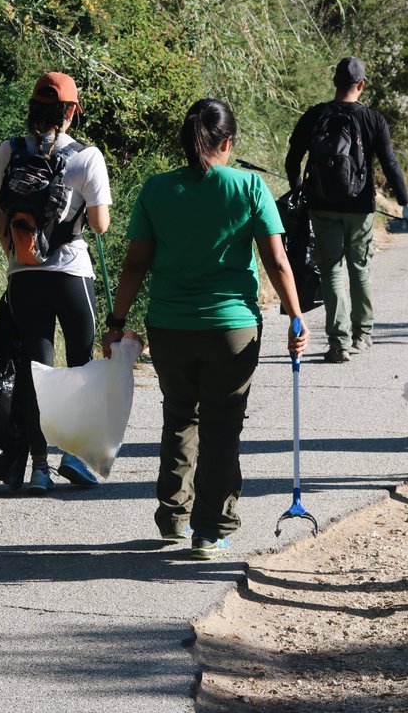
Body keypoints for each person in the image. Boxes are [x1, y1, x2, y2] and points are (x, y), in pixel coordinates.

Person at [104, 99, 310, 560]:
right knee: (222, 425)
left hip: (170, 326)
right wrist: (296, 316)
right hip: (231, 330)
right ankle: (211, 529)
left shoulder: (157, 190)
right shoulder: (249, 186)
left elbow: (135, 264)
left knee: (180, 415)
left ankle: (174, 517)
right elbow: (276, 261)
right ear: (228, 143)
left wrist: (116, 323)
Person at [0, 71, 111, 494]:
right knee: (80, 368)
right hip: (71, 273)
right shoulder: (86, 156)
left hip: (24, 276)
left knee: (35, 369)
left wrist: (16, 253)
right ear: (72, 111)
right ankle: (73, 456)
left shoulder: (10, 149)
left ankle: (38, 468)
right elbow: (100, 224)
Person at [284, 57, 408, 363]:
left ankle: (338, 342)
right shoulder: (373, 120)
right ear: (361, 85)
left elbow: (292, 158)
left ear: (335, 82)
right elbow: (390, 163)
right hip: (360, 207)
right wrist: (406, 204)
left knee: (331, 268)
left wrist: (299, 190)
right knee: (360, 267)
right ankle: (363, 333)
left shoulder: (316, 115)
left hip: (322, 205)